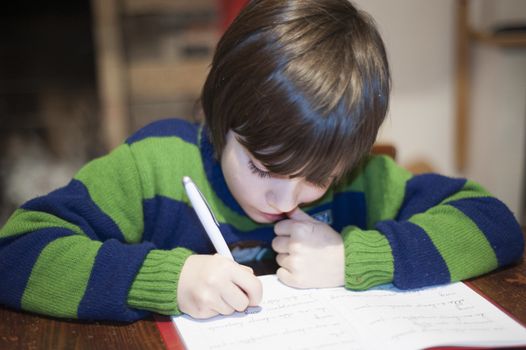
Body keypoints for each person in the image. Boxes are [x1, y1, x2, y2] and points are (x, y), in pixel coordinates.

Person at [0, 0, 523, 322]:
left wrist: (354, 260)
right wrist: (167, 280)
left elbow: (496, 225)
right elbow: (16, 253)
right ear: (221, 121)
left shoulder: (358, 180)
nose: (287, 198)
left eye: (319, 177)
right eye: (262, 168)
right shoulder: (152, 167)